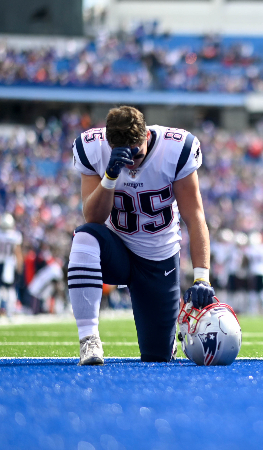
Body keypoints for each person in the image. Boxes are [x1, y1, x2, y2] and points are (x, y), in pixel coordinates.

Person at [69, 105, 215, 365]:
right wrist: (110, 175)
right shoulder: (92, 148)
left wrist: (202, 277)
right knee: (85, 236)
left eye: (136, 156)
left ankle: (164, 341)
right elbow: (93, 217)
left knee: (157, 357)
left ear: (146, 136)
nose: (132, 165)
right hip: (118, 250)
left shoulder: (176, 148)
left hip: (158, 258)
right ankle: (88, 339)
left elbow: (195, 218)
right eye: (126, 158)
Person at [0, 213, 23, 318]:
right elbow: (18, 253)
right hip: (9, 264)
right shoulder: (15, 235)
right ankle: (9, 311)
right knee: (10, 288)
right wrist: (20, 266)